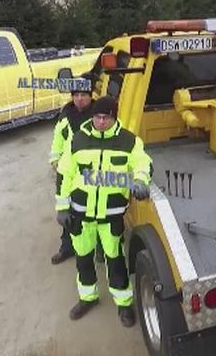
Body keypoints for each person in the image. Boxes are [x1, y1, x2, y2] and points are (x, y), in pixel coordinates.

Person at [56, 96, 152, 324]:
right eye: (97, 117)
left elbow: (143, 163)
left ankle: (124, 304)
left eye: (106, 118)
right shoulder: (77, 139)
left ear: (114, 117)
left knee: (115, 260)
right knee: (83, 259)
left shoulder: (129, 141)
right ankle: (87, 298)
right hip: (80, 214)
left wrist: (140, 180)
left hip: (111, 216)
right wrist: (62, 207)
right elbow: (64, 173)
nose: (100, 122)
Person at [49, 76, 95, 265]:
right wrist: (54, 158)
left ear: (91, 95)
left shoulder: (99, 115)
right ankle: (67, 247)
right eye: (76, 95)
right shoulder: (66, 114)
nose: (79, 99)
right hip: (69, 170)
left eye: (84, 95)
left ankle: (97, 247)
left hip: (91, 171)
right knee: (68, 211)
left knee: (93, 209)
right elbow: (58, 138)